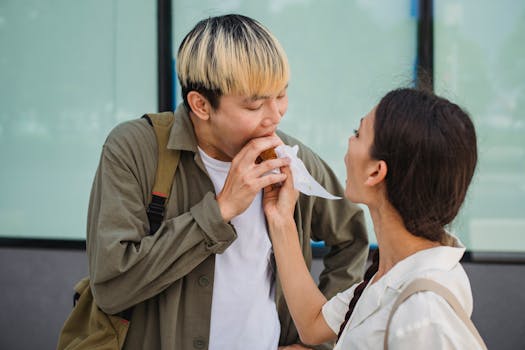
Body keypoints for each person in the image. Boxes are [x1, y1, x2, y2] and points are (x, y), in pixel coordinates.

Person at [86, 14, 368, 350]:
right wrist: (220, 211)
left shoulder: (290, 160)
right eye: (254, 104)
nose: (275, 115)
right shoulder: (134, 149)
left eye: (281, 95)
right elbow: (111, 287)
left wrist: (315, 339)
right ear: (201, 105)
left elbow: (352, 241)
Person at [263, 88, 482, 349]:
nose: (349, 140)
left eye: (358, 133)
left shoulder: (423, 315)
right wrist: (281, 219)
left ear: (376, 172)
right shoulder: (390, 274)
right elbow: (312, 325)